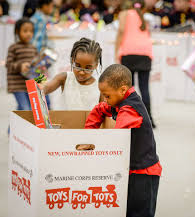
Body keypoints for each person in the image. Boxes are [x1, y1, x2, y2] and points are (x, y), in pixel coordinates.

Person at [85, 64, 162, 217]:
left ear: (122, 89)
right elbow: (99, 109)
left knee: (140, 213)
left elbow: (117, 139)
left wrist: (96, 148)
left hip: (143, 173)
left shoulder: (130, 110)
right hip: (131, 170)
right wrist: (88, 136)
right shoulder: (118, 101)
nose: (106, 101)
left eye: (107, 96)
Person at [115, 0, 156, 128]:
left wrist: (117, 50)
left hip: (128, 52)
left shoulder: (124, 14)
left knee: (127, 89)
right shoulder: (145, 16)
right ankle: (149, 119)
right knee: (145, 88)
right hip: (145, 52)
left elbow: (121, 31)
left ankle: (128, 117)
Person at [41, 38, 102, 110]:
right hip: (64, 121)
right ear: (73, 60)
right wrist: (38, 71)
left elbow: (103, 114)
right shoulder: (64, 78)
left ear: (96, 65)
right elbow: (42, 90)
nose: (82, 72)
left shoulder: (100, 87)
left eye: (87, 68)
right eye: (78, 66)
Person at [6, 18, 37, 111]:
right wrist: (20, 66)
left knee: (25, 110)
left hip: (30, 85)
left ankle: (11, 126)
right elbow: (8, 64)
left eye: (31, 31)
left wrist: (42, 66)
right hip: (17, 85)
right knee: (25, 109)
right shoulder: (14, 47)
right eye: (25, 31)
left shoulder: (33, 48)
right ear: (17, 32)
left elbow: (36, 65)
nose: (29, 34)